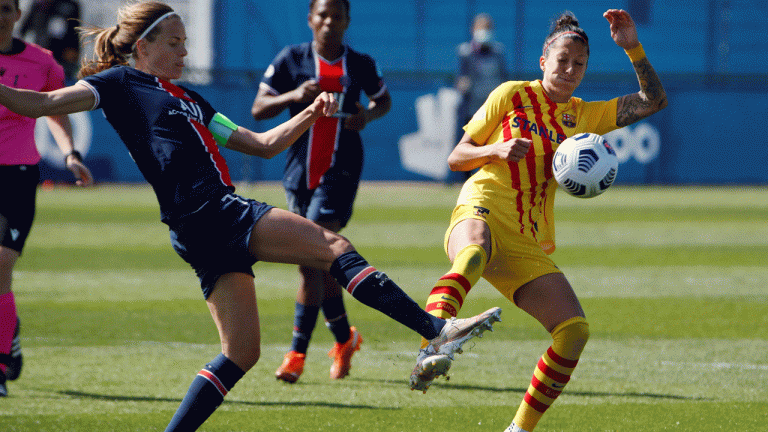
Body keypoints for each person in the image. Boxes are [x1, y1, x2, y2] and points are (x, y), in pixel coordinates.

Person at [0, 2, 501, 429]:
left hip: (198, 226)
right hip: (213, 211)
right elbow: (41, 102)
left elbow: (260, 145)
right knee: (333, 247)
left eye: (185, 42)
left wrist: (310, 114)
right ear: (144, 46)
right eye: (174, 43)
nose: (184, 52)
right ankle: (435, 330)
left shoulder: (190, 98)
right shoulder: (119, 83)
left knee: (241, 353)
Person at [408, 9, 667, 432]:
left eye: (578, 63)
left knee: (574, 331)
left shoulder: (584, 116)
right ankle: (429, 348)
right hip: (484, 203)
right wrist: (495, 150)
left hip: (527, 234)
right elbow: (456, 157)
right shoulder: (510, 94)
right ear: (544, 60)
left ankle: (519, 429)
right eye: (562, 59)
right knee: (472, 255)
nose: (569, 69)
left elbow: (653, 100)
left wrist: (632, 47)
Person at [251, 0, 391, 384]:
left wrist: (368, 114)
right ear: (311, 19)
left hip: (340, 169)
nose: (329, 22)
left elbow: (383, 100)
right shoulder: (290, 60)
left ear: (347, 21)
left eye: (337, 16)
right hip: (299, 171)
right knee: (317, 260)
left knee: (312, 257)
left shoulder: (359, 63)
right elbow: (259, 109)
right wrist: (293, 96)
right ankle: (345, 339)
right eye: (323, 15)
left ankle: (296, 354)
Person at [0, 0, 93, 398]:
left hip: (17, 176)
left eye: (6, 8)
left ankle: (1, 365)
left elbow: (55, 110)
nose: (0, 15)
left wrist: (70, 153)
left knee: (1, 263)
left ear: (18, 15)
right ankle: (10, 330)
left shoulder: (42, 62)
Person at [452, 13, 507, 183]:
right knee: (467, 146)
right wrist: (462, 85)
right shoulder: (466, 52)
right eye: (480, 28)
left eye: (487, 28)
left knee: (492, 147)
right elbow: (461, 79)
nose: (484, 32)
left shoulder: (498, 52)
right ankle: (464, 182)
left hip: (492, 109)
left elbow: (503, 80)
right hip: (471, 108)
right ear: (472, 30)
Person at [19, 0, 81, 80]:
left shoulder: (71, 5)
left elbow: (76, 30)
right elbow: (25, 27)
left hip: (63, 55)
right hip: (41, 51)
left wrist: (75, 50)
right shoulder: (39, 4)